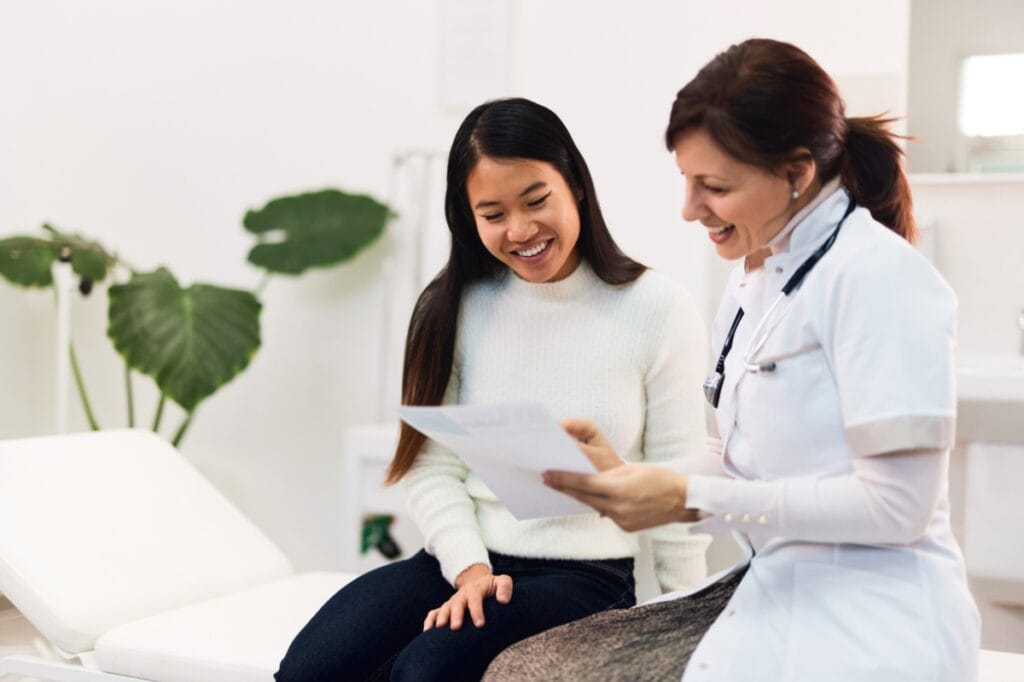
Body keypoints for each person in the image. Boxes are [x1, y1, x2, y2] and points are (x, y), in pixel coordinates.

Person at [485, 39, 981, 682]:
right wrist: (630, 480)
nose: (688, 209)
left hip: (874, 608)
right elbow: (741, 454)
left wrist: (690, 500)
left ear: (797, 172)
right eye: (687, 181)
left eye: (713, 187)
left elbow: (897, 508)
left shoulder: (882, 280)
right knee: (521, 669)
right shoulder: (756, 280)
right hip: (775, 580)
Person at [274, 97, 712, 682]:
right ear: (469, 218)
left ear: (576, 185)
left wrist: (689, 616)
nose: (520, 230)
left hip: (585, 574)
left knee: (425, 671)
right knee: (311, 668)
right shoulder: (454, 307)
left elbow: (675, 480)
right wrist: (471, 571)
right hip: (459, 562)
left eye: (536, 201)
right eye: (493, 213)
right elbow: (429, 469)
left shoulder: (658, 309)